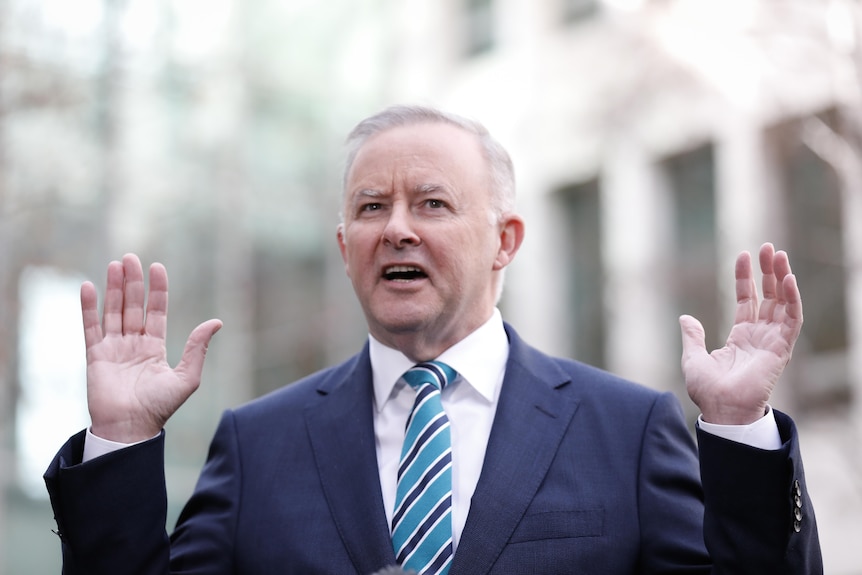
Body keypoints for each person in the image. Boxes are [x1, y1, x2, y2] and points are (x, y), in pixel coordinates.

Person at [44, 106, 823, 574]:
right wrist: (120, 439)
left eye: (433, 202)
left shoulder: (624, 429)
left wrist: (738, 431)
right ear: (345, 246)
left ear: (505, 240)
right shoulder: (258, 445)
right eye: (373, 206)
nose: (399, 228)